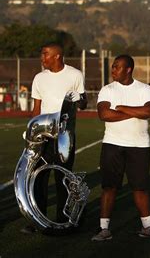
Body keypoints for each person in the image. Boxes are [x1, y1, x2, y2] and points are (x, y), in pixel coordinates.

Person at [92, 54, 150, 241]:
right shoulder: (107, 89)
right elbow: (104, 114)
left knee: (140, 188)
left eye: (117, 67)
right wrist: (134, 112)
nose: (113, 70)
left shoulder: (144, 89)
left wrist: (122, 107)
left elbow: (148, 111)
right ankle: (104, 229)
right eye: (113, 66)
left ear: (128, 69)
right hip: (112, 143)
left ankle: (147, 228)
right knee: (109, 187)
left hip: (139, 145)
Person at [22, 42, 87, 234]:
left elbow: (83, 103)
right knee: (38, 178)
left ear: (57, 56)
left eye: (45, 54)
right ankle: (37, 219)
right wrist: (31, 131)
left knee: (62, 178)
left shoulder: (74, 74)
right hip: (43, 135)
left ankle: (63, 220)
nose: (42, 58)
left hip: (65, 136)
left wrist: (79, 98)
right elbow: (36, 108)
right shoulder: (39, 78)